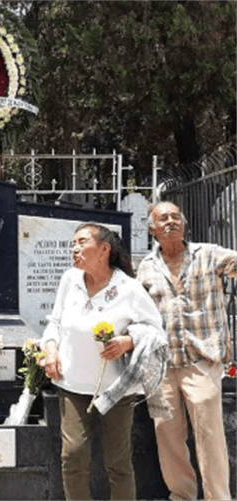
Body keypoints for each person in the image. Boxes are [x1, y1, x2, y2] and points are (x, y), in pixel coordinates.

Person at [38, 222, 167, 501]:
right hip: (72, 384)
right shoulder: (70, 279)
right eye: (73, 243)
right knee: (72, 456)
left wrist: (128, 341)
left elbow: (157, 330)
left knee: (118, 462)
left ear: (104, 249)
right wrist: (50, 348)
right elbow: (56, 322)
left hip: (116, 390)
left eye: (81, 242)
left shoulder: (129, 288)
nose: (74, 248)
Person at [137, 201, 236, 501]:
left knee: (210, 436)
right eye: (163, 218)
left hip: (201, 361)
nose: (170, 222)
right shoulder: (145, 267)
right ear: (152, 229)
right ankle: (181, 495)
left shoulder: (209, 254)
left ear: (184, 223)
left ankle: (217, 497)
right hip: (161, 365)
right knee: (167, 434)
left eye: (175, 216)